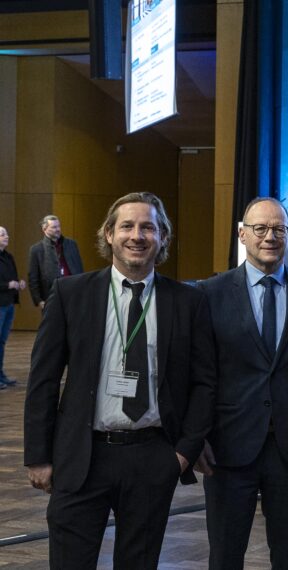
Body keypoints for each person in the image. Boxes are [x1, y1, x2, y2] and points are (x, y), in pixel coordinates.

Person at [23, 192, 216, 569]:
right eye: (126, 226)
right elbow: (43, 380)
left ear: (162, 238)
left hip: (152, 457)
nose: (137, 235)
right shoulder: (71, 294)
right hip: (81, 457)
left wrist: (182, 455)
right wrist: (38, 456)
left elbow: (205, 383)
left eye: (149, 227)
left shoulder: (188, 302)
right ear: (109, 234)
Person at [195, 197, 288, 569]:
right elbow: (201, 375)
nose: (270, 236)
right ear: (242, 234)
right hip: (227, 447)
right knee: (225, 555)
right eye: (260, 228)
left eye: (279, 229)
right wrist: (197, 438)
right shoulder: (211, 293)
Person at [27, 214, 84, 310]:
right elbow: (33, 278)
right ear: (44, 229)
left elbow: (80, 268)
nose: (58, 229)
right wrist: (39, 300)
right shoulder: (36, 249)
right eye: (54, 227)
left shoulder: (71, 244)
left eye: (59, 226)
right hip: (50, 296)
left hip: (72, 292)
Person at [0, 226, 28, 388]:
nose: (7, 237)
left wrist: (18, 283)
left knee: (2, 341)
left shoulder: (8, 257)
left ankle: (1, 374)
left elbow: (11, 277)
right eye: (2, 235)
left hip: (8, 303)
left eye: (6, 234)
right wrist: (7, 285)